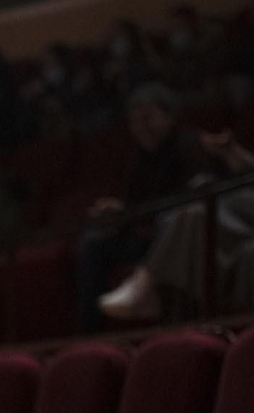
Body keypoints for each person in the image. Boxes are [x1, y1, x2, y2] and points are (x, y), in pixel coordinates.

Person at [99, 85, 254, 321]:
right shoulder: (138, 161)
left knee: (206, 188)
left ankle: (146, 282)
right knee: (199, 216)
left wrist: (235, 155)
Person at [72, 83, 217, 332]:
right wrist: (119, 211)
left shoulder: (190, 144)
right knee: (91, 243)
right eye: (135, 121)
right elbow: (135, 207)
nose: (141, 128)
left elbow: (195, 197)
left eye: (148, 118)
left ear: (169, 116)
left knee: (168, 221)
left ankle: (145, 287)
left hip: (177, 236)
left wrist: (138, 214)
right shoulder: (138, 159)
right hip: (142, 234)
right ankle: (90, 333)